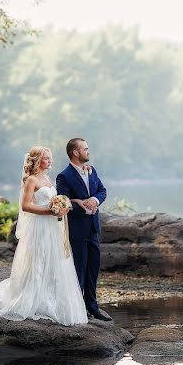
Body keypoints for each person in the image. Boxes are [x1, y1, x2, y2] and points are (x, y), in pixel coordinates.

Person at [0, 146, 89, 326]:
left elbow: (53, 200)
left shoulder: (46, 178)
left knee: (55, 261)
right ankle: (34, 298)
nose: (50, 161)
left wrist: (62, 205)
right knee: (39, 260)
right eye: (46, 158)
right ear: (37, 160)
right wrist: (49, 210)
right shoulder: (31, 180)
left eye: (50, 157)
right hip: (40, 227)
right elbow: (26, 206)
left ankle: (52, 297)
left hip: (54, 227)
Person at [56, 137, 112, 322]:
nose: (88, 151)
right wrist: (77, 202)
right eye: (85, 149)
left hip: (93, 228)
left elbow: (102, 191)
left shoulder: (92, 170)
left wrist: (95, 200)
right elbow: (62, 200)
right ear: (75, 152)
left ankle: (92, 306)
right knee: (78, 268)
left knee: (93, 267)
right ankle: (77, 308)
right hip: (77, 229)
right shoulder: (64, 176)